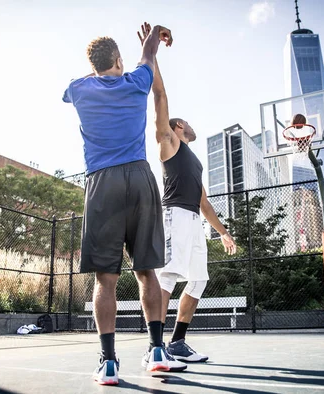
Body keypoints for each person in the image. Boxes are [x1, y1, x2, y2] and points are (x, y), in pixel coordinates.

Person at [62, 23, 185, 386]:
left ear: (94, 65)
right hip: (140, 178)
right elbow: (148, 54)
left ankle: (109, 362)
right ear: (119, 59)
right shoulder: (136, 81)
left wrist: (99, 67)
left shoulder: (79, 88)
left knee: (106, 278)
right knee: (147, 271)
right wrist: (154, 35)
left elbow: (78, 84)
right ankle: (158, 351)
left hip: (103, 183)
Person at [137, 23, 237, 365]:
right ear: (177, 127)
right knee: (168, 276)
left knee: (198, 281)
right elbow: (160, 97)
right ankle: (156, 346)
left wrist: (222, 233)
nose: (192, 125)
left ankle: (178, 342)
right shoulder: (170, 142)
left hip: (194, 220)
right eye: (187, 122)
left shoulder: (194, 161)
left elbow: (204, 201)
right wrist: (153, 53)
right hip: (173, 217)